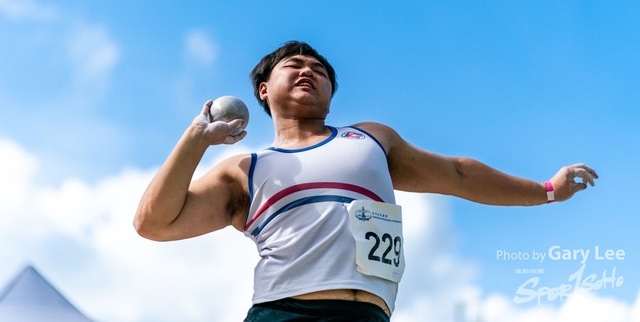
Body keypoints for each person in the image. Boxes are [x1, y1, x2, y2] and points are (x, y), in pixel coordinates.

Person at [134, 41, 598, 322]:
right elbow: (152, 223)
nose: (307, 70)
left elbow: (458, 173)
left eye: (319, 69)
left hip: (370, 316)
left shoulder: (371, 139)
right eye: (293, 65)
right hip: (286, 313)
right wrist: (196, 138)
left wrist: (547, 191)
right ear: (263, 90)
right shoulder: (246, 168)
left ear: (333, 93)